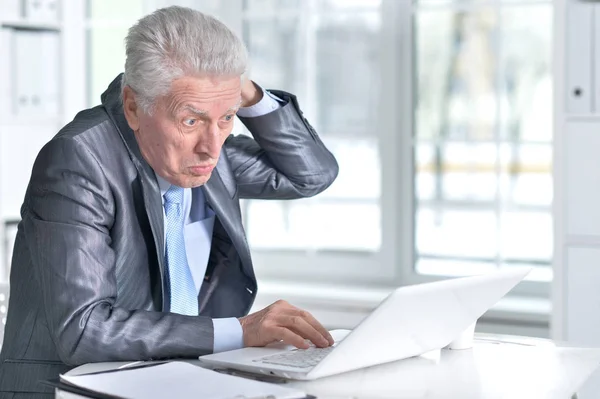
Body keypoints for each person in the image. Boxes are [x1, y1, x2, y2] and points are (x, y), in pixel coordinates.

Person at [0, 6, 338, 397]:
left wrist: (241, 93)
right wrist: (240, 332)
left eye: (228, 118)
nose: (212, 148)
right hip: (73, 389)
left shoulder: (210, 150)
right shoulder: (78, 159)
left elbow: (310, 174)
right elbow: (84, 327)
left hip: (176, 381)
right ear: (133, 107)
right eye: (190, 121)